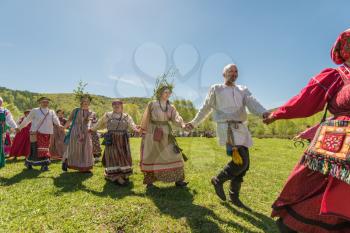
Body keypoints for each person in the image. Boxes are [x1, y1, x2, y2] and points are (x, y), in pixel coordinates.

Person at [264, 29, 350, 233]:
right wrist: (277, 114)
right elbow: (304, 101)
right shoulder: (337, 75)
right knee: (316, 190)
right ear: (345, 48)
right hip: (336, 140)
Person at [186, 64, 268, 210]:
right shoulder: (216, 88)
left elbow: (253, 103)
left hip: (241, 127)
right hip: (227, 128)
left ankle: (234, 197)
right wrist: (194, 123)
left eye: (236, 71)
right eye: (230, 71)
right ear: (223, 74)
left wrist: (264, 113)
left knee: (245, 165)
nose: (234, 73)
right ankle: (218, 179)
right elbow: (206, 107)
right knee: (240, 162)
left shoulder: (242, 90)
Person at [140, 77, 188, 188]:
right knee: (152, 155)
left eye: (169, 92)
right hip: (153, 132)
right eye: (165, 92)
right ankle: (149, 182)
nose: (167, 94)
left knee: (173, 154)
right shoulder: (152, 104)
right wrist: (143, 130)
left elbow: (176, 117)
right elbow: (146, 118)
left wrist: (182, 124)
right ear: (160, 93)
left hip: (166, 132)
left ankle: (179, 180)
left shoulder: (171, 106)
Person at [91, 100, 139, 185]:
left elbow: (132, 125)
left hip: (123, 140)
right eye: (114, 105)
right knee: (113, 156)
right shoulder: (108, 115)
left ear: (122, 106)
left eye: (118, 105)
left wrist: (136, 129)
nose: (116, 106)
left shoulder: (126, 116)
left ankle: (123, 173)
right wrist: (91, 129)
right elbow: (99, 123)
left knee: (123, 155)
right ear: (112, 106)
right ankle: (115, 175)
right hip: (112, 139)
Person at [17, 97, 62, 171]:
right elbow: (27, 120)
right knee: (35, 149)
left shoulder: (51, 111)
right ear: (40, 103)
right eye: (43, 102)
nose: (45, 103)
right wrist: (20, 127)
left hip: (47, 133)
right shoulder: (35, 110)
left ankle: (44, 165)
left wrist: (59, 125)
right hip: (35, 132)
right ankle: (30, 163)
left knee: (45, 149)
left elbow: (55, 119)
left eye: (47, 102)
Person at [62, 95, 94, 173]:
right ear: (81, 102)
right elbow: (69, 120)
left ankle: (84, 167)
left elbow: (89, 121)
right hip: (75, 130)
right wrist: (63, 128)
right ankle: (66, 162)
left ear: (89, 102)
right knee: (75, 148)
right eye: (84, 101)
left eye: (87, 101)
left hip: (86, 131)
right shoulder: (75, 110)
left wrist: (89, 128)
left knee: (86, 148)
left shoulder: (91, 112)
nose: (85, 102)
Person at [0, 97, 17, 168]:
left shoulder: (5, 110)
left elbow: (10, 120)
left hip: (1, 130)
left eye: (0, 102)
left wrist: (15, 127)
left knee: (0, 145)